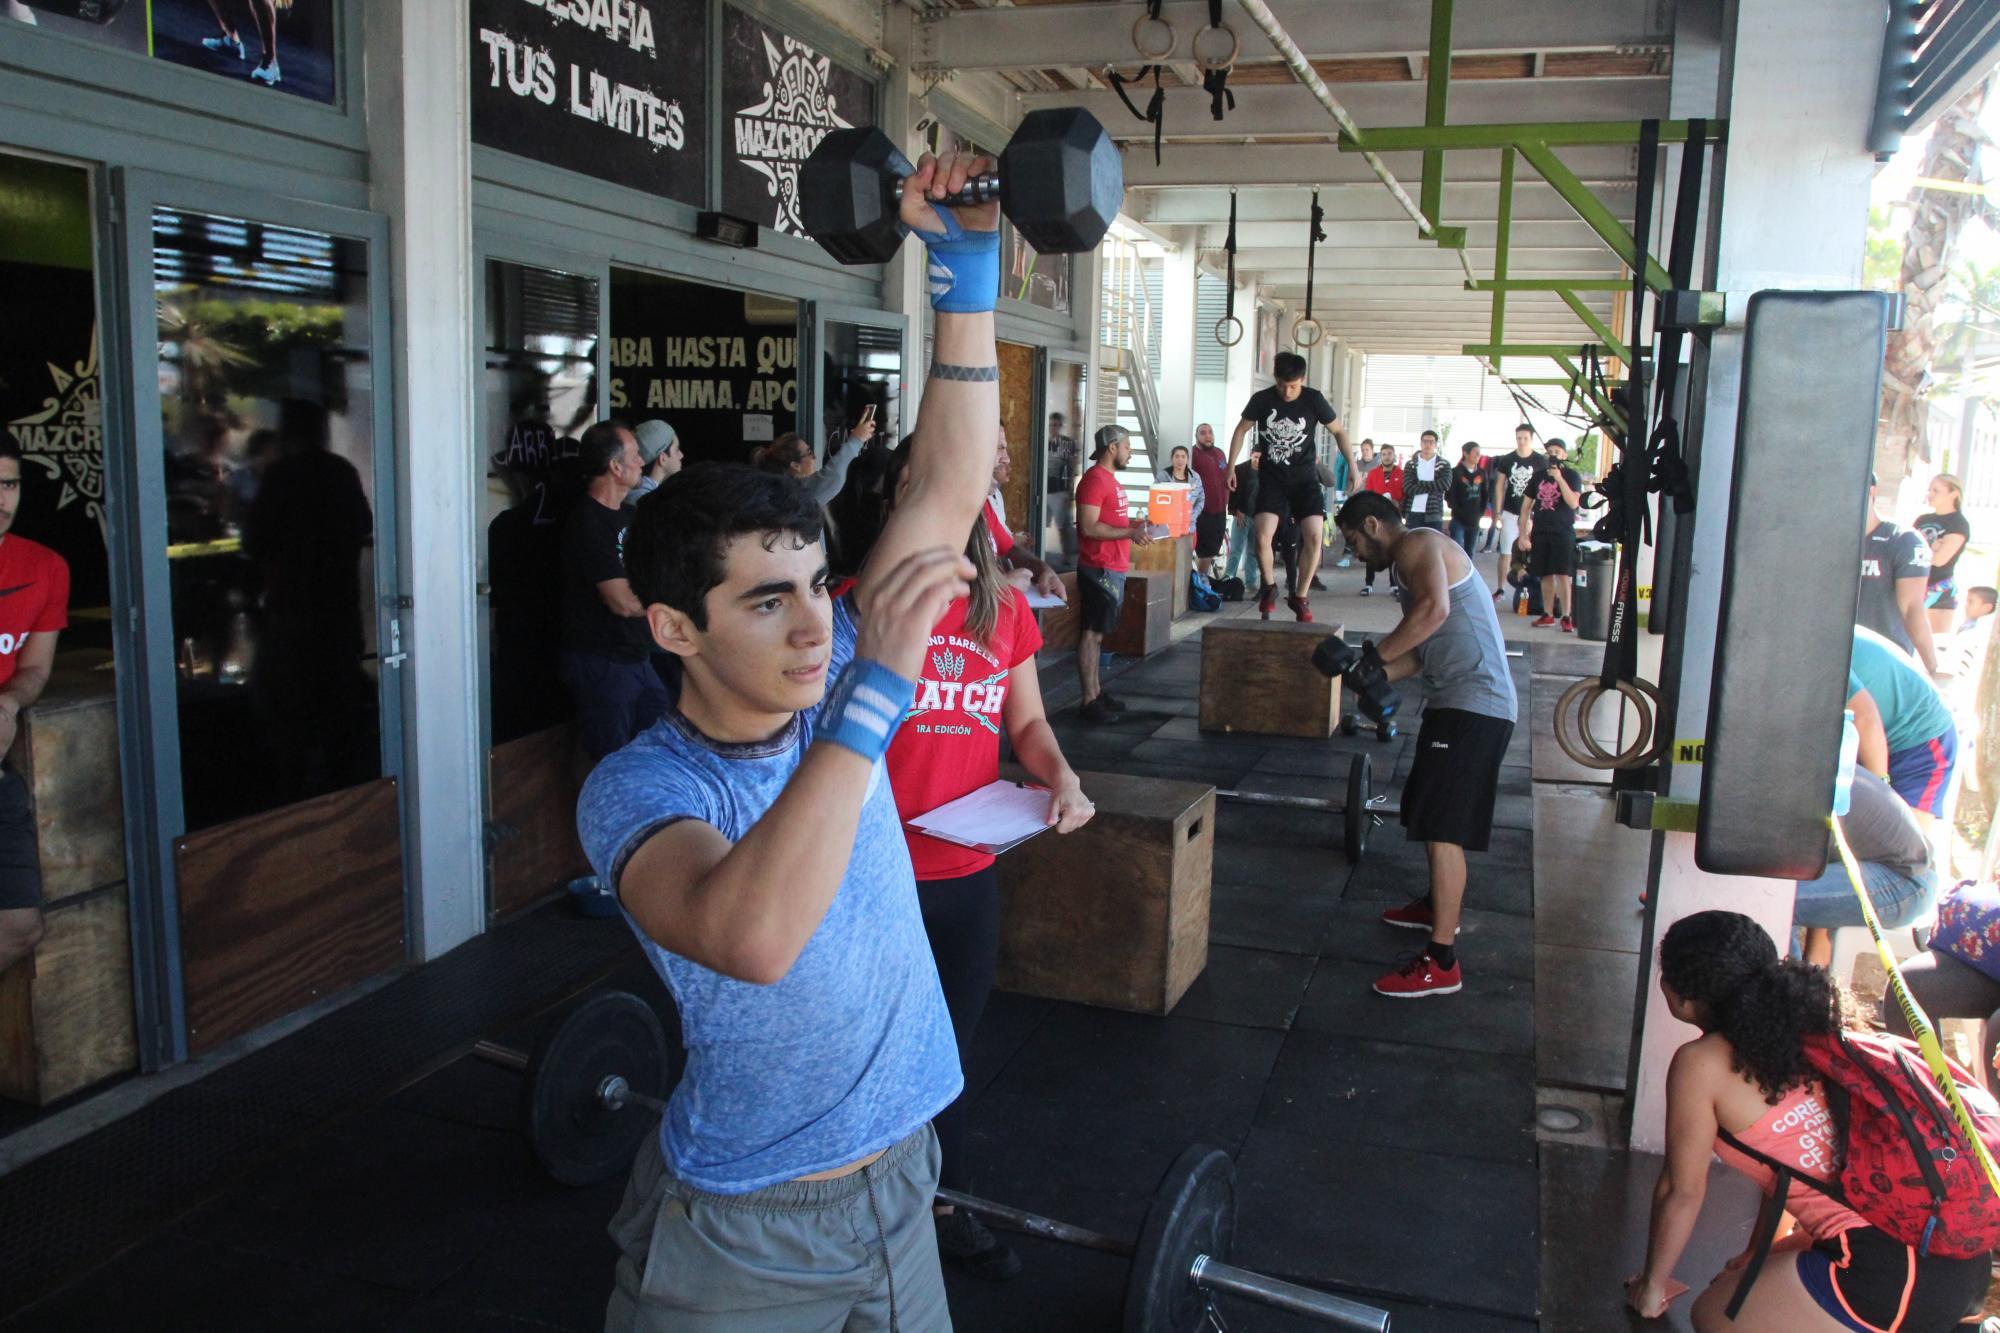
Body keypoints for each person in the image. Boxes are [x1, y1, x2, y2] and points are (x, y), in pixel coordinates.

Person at [577, 144, 1002, 1330]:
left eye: (818, 584)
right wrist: (873, 698)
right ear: (674, 626)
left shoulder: (833, 677)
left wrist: (964, 282)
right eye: (767, 602)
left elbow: (947, 487)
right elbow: (752, 936)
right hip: (748, 1228)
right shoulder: (642, 789)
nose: (816, 625)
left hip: (904, 1179)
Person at [873, 443, 1095, 1281]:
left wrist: (1063, 776)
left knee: (947, 1055)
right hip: (870, 875)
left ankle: (943, 1204)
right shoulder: (858, 606)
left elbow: (1027, 724)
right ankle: (868, 1206)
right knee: (872, 1049)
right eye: (915, 487)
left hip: (965, 873)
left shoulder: (1001, 612)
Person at [1626, 910, 1992, 1331]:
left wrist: (1652, 1288)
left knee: (1711, 1315)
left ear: (1682, 996)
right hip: (1959, 1250)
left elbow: (1681, 1190)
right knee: (1739, 1285)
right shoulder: (1813, 1029)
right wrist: (1756, 1253)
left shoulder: (1700, 1064)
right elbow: (1784, 1175)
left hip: (1890, 1278)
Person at [1335, 490, 1518, 998]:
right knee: (1426, 810)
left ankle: (1442, 960)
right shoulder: (1406, 568)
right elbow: (1422, 652)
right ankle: (1437, 906)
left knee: (1443, 829)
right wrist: (1365, 677)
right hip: (1455, 699)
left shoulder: (1417, 544)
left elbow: (1436, 612)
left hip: (1477, 703)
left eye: (1353, 541)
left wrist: (1373, 660)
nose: (1354, 552)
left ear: (1372, 525)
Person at [560, 420, 670, 764]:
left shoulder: (628, 515)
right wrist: (671, 603)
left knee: (661, 747)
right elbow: (621, 601)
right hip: (602, 662)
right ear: (615, 467)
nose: (641, 461)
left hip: (636, 657)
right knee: (609, 761)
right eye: (634, 455)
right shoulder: (587, 522)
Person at [1225, 351, 1357, 623]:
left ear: (1302, 380)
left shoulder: (1313, 399)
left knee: (1314, 537)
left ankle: (1300, 596)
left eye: (1293, 387)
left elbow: (1339, 432)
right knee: (1262, 536)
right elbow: (1240, 430)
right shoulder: (1262, 400)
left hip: (1305, 480)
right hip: (1272, 479)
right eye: (1282, 386)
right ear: (1275, 379)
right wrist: (1230, 467)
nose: (1287, 392)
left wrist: (1353, 467)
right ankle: (1269, 587)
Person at [0, 438, 67, 976]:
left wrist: (10, 701)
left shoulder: (45, 566)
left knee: (21, 927)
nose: (1, 499)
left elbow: (36, 669)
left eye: (9, 484)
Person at [1791, 767, 1937, 966]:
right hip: (1894, 866)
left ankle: (1782, 981)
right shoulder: (1801, 762)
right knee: (1772, 892)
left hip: (1906, 881)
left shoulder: (1795, 775)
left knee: (1776, 899)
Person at [1076, 426, 1153, 722]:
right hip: (1098, 567)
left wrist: (1136, 525)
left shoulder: (1110, 480)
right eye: (1127, 446)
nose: (1130, 451)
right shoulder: (1095, 480)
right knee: (1091, 633)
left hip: (1112, 566)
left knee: (1098, 635)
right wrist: (1130, 532)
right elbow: (1089, 526)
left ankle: (1095, 692)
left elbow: (1112, 521)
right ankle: (1088, 699)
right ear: (1112, 447)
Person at [1848, 624, 1957, 833]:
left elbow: (1865, 717)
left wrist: (1880, 792)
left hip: (1919, 739)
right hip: (1871, 738)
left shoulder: (1814, 647)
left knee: (1901, 840)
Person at [1860, 473, 1940, 674]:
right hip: (1836, 661)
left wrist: (1931, 668)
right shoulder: (1827, 542)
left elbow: (1912, 607)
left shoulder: (1903, 540)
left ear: (1871, 492)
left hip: (1885, 662)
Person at [984, 430, 1064, 604]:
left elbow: (1009, 549)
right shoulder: (940, 512)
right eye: (998, 447)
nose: (1007, 460)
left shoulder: (983, 506)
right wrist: (1000, 586)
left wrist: (1042, 570)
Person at [1518, 437, 1583, 632]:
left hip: (1562, 531)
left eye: (1557, 451)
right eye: (1550, 451)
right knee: (1545, 574)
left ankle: (1566, 615)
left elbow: (1573, 502)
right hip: (1540, 531)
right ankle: (1547, 614)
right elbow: (1526, 507)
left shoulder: (1572, 475)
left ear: (1564, 455)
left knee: (1563, 574)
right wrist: (1523, 534)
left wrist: (1559, 478)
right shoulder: (1538, 476)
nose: (1553, 455)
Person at [1492, 425, 1545, 598]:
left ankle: (1533, 589)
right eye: (1519, 438)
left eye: (1525, 438)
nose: (1521, 441)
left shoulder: (1540, 461)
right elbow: (1499, 486)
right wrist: (1498, 512)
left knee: (1531, 550)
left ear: (1531, 439)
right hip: (1510, 510)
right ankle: (1501, 588)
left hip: (1532, 514)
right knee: (1506, 550)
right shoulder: (1507, 460)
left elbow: (1544, 487)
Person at [1917, 473, 1973, 636]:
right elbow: (1907, 551)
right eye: (1930, 490)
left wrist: (1927, 550)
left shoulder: (1958, 523)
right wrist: (1932, 547)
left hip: (1939, 587)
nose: (1930, 495)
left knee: (1936, 642)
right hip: (1915, 583)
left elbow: (1940, 559)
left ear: (1953, 494)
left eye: (1936, 491)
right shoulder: (1922, 520)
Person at [1189, 423, 1230, 578]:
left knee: (1213, 551)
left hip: (1220, 511)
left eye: (1210, 432)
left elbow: (1226, 477)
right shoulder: (1193, 455)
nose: (1208, 436)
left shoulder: (1219, 453)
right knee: (1204, 553)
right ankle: (1200, 583)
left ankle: (1203, 581)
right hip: (1203, 513)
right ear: (1196, 436)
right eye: (1203, 433)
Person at [1359, 445, 1401, 596]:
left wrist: (1397, 502)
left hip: (1394, 518)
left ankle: (1394, 584)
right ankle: (1368, 584)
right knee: (1372, 550)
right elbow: (1368, 495)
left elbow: (1404, 495)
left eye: (1389, 453)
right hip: (1376, 518)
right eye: (1383, 454)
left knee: (1393, 551)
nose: (1386, 457)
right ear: (1380, 456)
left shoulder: (1401, 473)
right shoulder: (1373, 473)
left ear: (1393, 455)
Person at [1223, 449, 1261, 595]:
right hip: (1242, 515)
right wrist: (1236, 510)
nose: (1257, 460)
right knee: (1236, 549)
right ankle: (1229, 577)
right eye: (1255, 457)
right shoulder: (1240, 470)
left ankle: (1250, 582)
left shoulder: (1267, 472)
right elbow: (1233, 491)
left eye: (1260, 458)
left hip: (1258, 517)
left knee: (1253, 551)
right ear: (1251, 455)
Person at [1045, 412, 1079, 565]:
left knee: (1064, 526)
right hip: (1043, 489)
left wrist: (1069, 491)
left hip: (1059, 490)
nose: (1054, 428)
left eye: (1057, 425)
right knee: (1038, 523)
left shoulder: (1066, 444)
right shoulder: (1043, 441)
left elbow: (1072, 468)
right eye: (1052, 424)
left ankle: (1070, 557)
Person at [1401, 429, 1451, 533]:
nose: (1428, 445)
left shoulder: (1444, 464)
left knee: (1433, 542)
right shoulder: (1411, 464)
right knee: (1413, 542)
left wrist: (1418, 482)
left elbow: (1445, 485)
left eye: (1431, 442)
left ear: (1435, 445)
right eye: (1425, 441)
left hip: (1434, 512)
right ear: (1420, 443)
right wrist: (1433, 487)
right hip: (1413, 512)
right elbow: (1408, 488)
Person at [628, 419, 683, 503]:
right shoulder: (650, 502)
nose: (681, 455)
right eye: (676, 450)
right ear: (663, 459)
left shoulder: (629, 492)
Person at [1447, 442, 1486, 559]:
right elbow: (1450, 496)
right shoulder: (1455, 472)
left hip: (1475, 520)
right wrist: (1459, 512)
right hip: (1458, 519)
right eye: (1475, 452)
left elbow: (1485, 494)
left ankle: (1469, 571)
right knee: (1456, 552)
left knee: (1470, 552)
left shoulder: (1482, 473)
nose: (1478, 455)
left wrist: (1480, 513)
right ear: (1465, 453)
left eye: (1479, 453)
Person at [1159, 445, 1207, 519]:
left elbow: (1201, 499)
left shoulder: (1195, 477)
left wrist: (1193, 515)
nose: (1180, 460)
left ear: (1187, 459)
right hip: (1167, 520)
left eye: (1183, 457)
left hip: (1189, 521)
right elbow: (1156, 498)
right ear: (1172, 459)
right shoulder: (1163, 476)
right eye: (1177, 456)